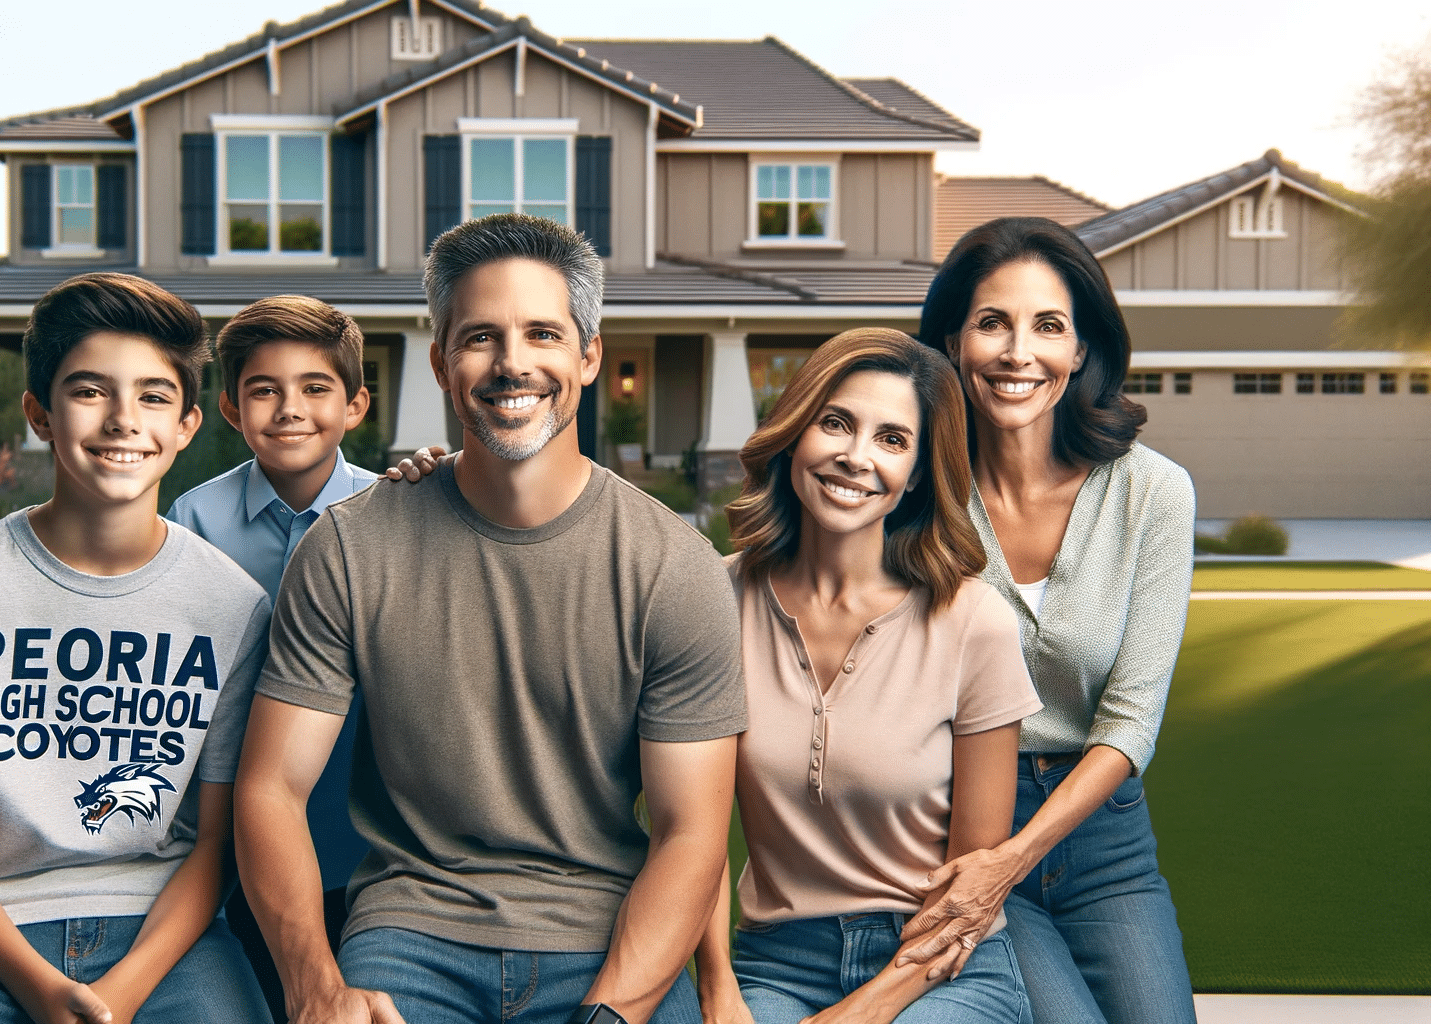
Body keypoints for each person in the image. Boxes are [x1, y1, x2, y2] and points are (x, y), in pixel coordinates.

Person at [232, 213, 747, 1024]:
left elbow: (692, 835)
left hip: (609, 936)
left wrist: (611, 1014)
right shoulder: (348, 549)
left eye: (542, 332)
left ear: (587, 356)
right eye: (479, 337)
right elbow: (269, 788)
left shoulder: (671, 566)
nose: (512, 364)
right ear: (440, 363)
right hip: (410, 932)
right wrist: (315, 986)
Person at [0, 272, 273, 1024]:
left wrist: (124, 990)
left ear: (187, 426)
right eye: (89, 391)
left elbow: (215, 848)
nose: (122, 420)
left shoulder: (232, 606)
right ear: (39, 413)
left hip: (168, 939)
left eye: (153, 397)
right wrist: (38, 987)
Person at [894, 217, 1198, 1024]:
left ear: (1082, 350)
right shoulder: (913, 491)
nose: (1017, 352)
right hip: (957, 827)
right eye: (992, 323)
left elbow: (1131, 722)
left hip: (1103, 840)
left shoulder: (1152, 493)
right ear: (953, 343)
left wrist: (1019, 857)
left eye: (1048, 326)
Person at [694, 328, 1042, 1024]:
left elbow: (971, 885)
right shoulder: (711, 601)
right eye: (836, 423)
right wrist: (719, 993)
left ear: (915, 473)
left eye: (891, 439)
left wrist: (860, 1013)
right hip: (774, 960)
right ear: (795, 434)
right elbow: (688, 832)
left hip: (938, 967)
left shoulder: (975, 622)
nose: (856, 457)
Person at [165, 295, 439, 1022]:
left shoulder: (400, 509)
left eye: (315, 388)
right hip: (226, 833)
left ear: (355, 405)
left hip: (363, 834)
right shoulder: (190, 523)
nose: (290, 408)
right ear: (230, 409)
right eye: (265, 389)